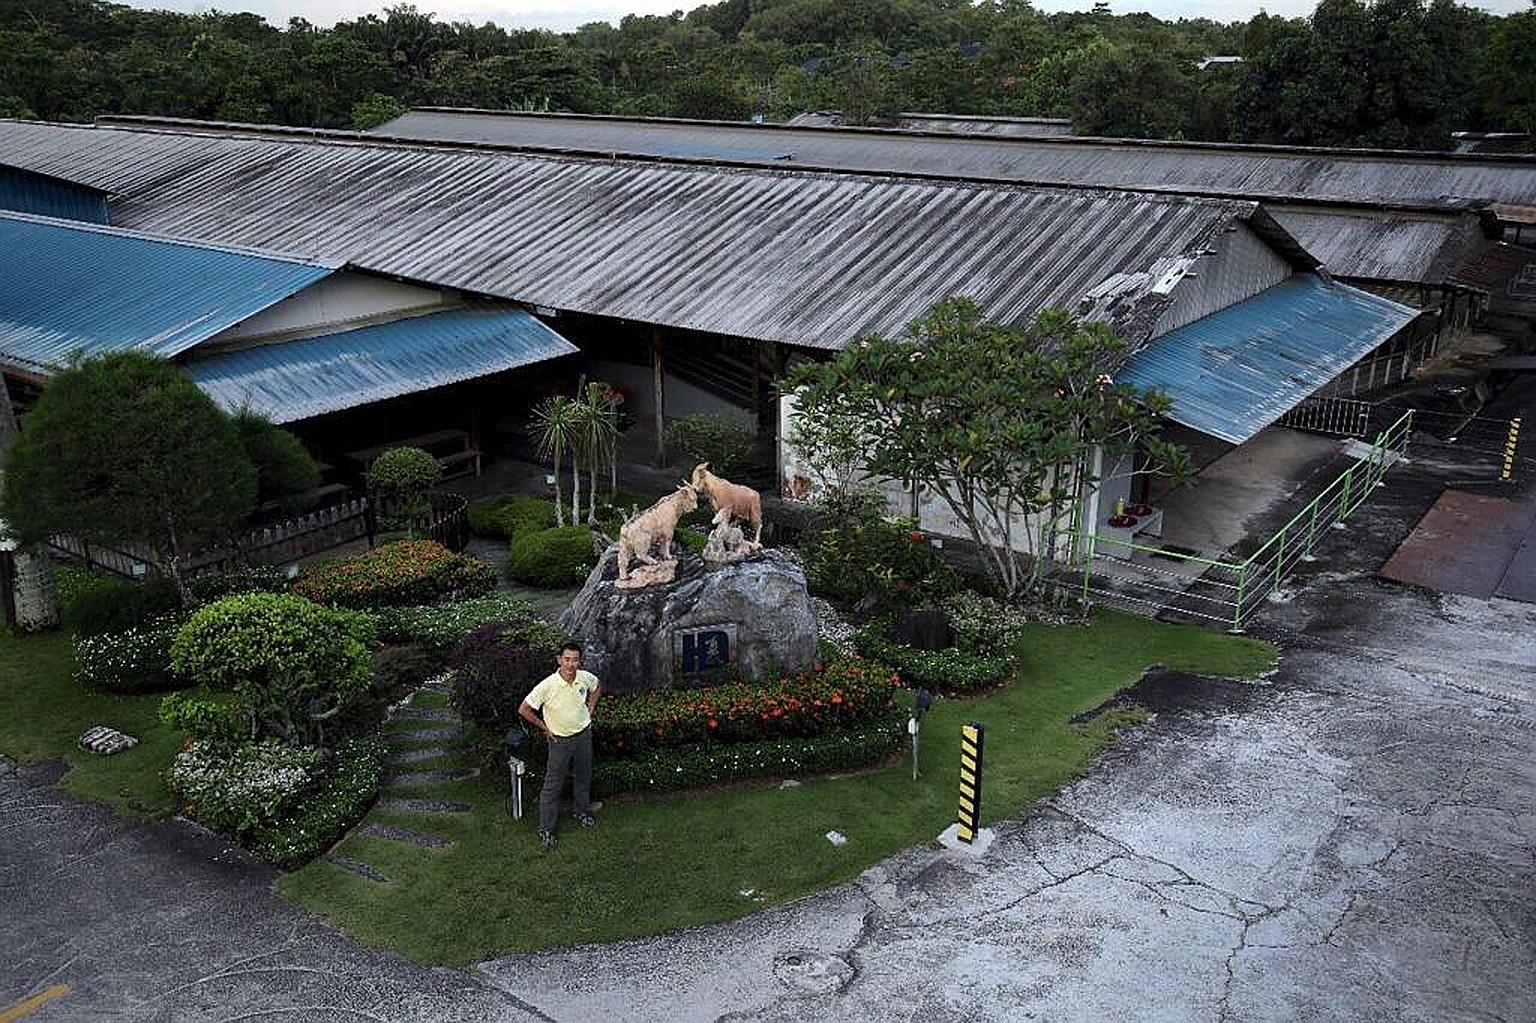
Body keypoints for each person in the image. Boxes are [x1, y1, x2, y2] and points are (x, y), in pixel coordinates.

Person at [519, 642, 601, 849]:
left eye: (575, 660)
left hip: (583, 736)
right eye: (567, 659)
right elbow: (525, 709)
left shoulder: (584, 677)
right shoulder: (548, 685)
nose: (571, 664)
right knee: (552, 786)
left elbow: (597, 687)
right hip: (560, 742)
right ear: (559, 660)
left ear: (580, 661)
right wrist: (544, 728)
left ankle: (581, 812)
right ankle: (546, 829)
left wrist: (590, 709)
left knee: (583, 776)